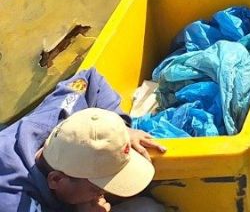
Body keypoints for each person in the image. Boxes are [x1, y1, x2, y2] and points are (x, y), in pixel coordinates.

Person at [0, 68, 166, 212]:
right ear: (56, 180)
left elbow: (91, 78)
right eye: (97, 189)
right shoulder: (12, 201)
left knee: (149, 208)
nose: (105, 194)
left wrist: (120, 128)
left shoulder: (58, 115)